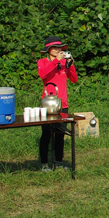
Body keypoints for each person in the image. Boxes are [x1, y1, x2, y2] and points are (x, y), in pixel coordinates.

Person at [37, 36, 78, 171]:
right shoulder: (43, 62)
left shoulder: (64, 62)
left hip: (62, 103)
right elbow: (43, 75)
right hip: (48, 104)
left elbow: (74, 80)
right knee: (46, 134)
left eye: (60, 47)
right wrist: (56, 61)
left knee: (61, 134)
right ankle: (44, 163)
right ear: (48, 50)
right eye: (55, 48)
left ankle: (58, 161)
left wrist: (70, 66)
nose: (58, 50)